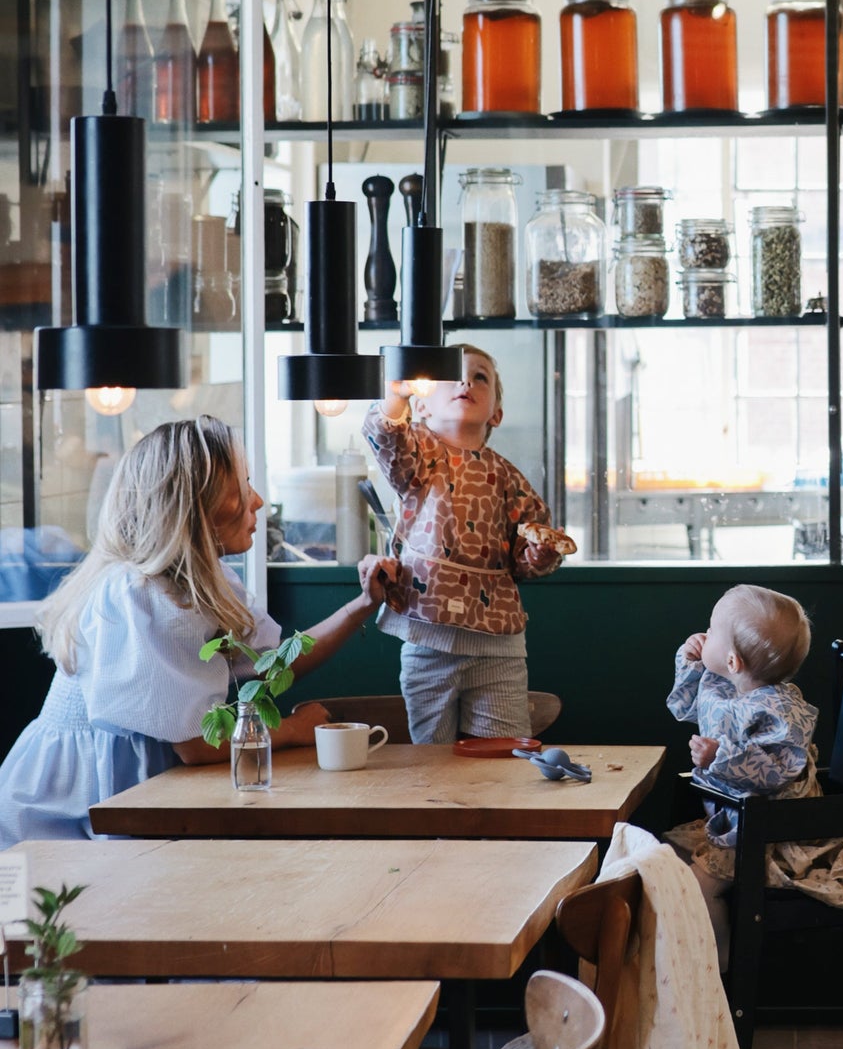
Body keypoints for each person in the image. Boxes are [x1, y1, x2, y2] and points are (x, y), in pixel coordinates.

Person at [0, 415, 396, 845]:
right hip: (69, 808)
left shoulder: (208, 580)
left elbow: (272, 665)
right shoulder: (141, 595)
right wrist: (291, 729)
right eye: (241, 489)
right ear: (195, 507)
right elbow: (195, 744)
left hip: (134, 789)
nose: (258, 501)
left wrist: (363, 603)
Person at [363, 344, 574, 745]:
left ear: (495, 412)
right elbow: (386, 439)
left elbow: (526, 557)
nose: (466, 382)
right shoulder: (417, 458)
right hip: (427, 634)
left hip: (499, 645)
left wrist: (539, 555)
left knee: (504, 753)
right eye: (452, 375)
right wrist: (396, 397)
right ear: (423, 405)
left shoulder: (509, 477)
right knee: (431, 761)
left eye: (481, 377)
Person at [665, 584, 818, 962]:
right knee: (665, 861)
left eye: (713, 630)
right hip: (730, 821)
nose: (706, 633)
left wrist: (722, 756)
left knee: (702, 885)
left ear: (733, 661)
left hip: (769, 833)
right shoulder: (723, 687)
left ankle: (718, 964)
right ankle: (675, 959)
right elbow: (684, 708)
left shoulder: (780, 709)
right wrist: (689, 661)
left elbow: (778, 771)